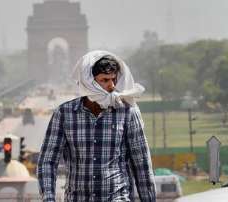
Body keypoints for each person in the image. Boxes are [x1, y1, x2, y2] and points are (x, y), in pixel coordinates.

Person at [37, 50, 156, 202]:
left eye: (114, 79)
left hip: (118, 197)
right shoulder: (65, 114)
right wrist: (48, 198)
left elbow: (142, 164)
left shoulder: (127, 111)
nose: (111, 86)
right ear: (89, 81)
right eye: (105, 80)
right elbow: (47, 161)